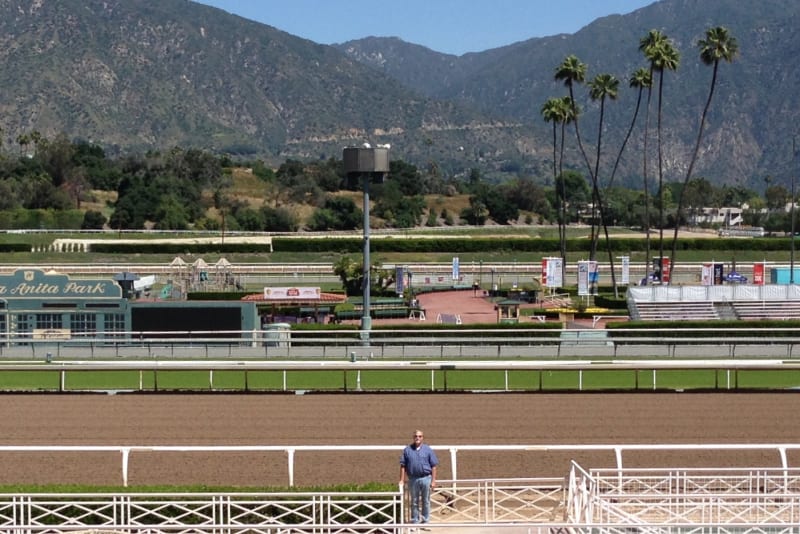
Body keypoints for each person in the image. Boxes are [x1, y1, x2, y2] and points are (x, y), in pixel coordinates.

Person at [399, 429, 439, 526]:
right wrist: (402, 479)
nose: (418, 438)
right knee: (414, 501)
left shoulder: (428, 449)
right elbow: (402, 465)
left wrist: (433, 481)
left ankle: (425, 521)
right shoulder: (407, 450)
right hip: (413, 479)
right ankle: (415, 521)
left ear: (423, 438)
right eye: (416, 436)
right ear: (413, 438)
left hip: (426, 478)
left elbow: (434, 466)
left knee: (426, 501)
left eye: (420, 436)